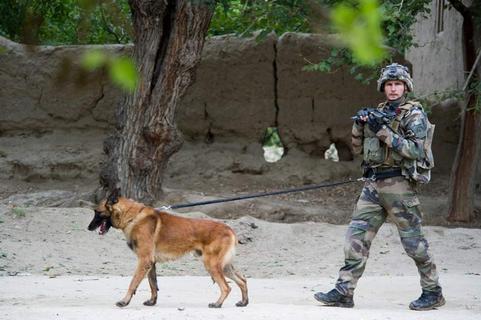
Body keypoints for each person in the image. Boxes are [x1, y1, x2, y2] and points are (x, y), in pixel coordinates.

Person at [313, 63, 445, 311]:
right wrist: (361, 125)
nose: (393, 89)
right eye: (389, 84)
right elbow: (358, 149)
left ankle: (433, 291)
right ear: (383, 87)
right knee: (355, 238)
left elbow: (416, 150)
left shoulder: (414, 115)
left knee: (413, 242)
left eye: (398, 84)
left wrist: (383, 131)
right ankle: (344, 291)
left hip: (400, 186)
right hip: (373, 184)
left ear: (406, 87)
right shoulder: (378, 112)